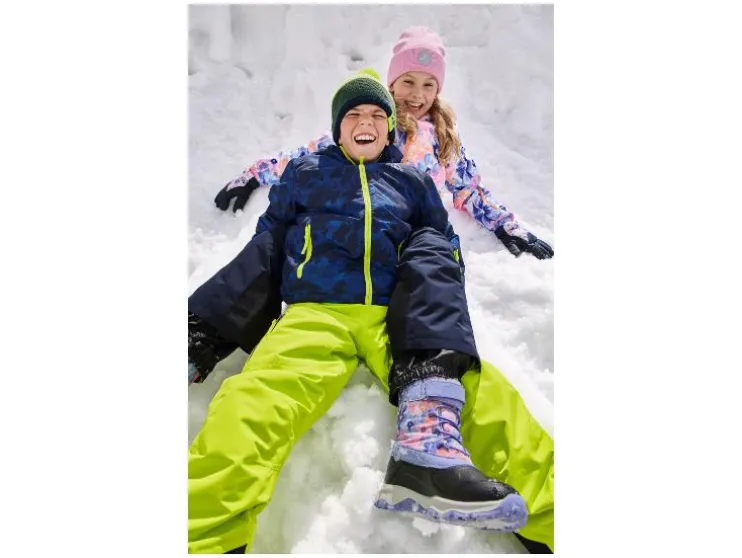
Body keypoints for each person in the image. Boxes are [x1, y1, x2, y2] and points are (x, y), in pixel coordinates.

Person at [187, 69, 549, 554]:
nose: (366, 121)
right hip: (315, 313)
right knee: (250, 406)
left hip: (396, 317)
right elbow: (266, 245)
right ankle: (200, 537)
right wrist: (209, 323)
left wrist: (438, 312)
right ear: (337, 128)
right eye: (353, 114)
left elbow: (444, 247)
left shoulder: (412, 181)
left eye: (377, 114)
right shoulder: (306, 173)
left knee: (486, 401)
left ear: (389, 127)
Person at [213, 26, 553, 260]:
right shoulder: (375, 122)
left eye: (428, 85)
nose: (417, 94)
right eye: (408, 82)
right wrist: (255, 175)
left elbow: (468, 189)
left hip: (417, 239)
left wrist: (505, 225)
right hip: (364, 228)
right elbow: (310, 156)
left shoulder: (443, 133)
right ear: (392, 83)